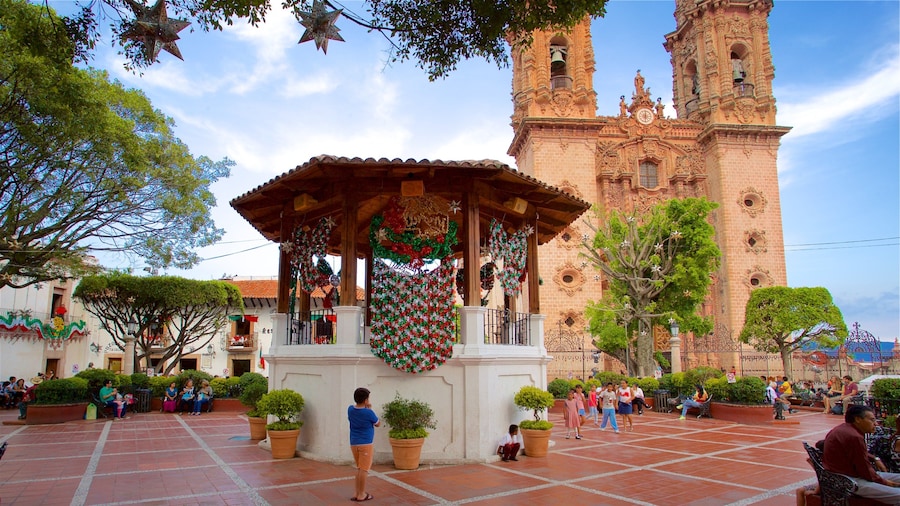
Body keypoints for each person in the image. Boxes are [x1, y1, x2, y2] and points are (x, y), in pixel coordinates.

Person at [822, 404, 900, 503]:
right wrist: (884, 482)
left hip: (845, 477)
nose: (875, 424)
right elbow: (864, 469)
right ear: (858, 419)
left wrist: (875, 458)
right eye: (872, 420)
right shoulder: (854, 436)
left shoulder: (843, 430)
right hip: (850, 481)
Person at [348, 387, 380, 502]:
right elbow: (377, 423)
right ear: (366, 400)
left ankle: (357, 492)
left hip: (354, 443)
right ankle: (361, 494)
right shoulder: (369, 413)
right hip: (365, 443)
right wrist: (369, 409)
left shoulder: (350, 409)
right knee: (364, 470)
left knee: (359, 468)